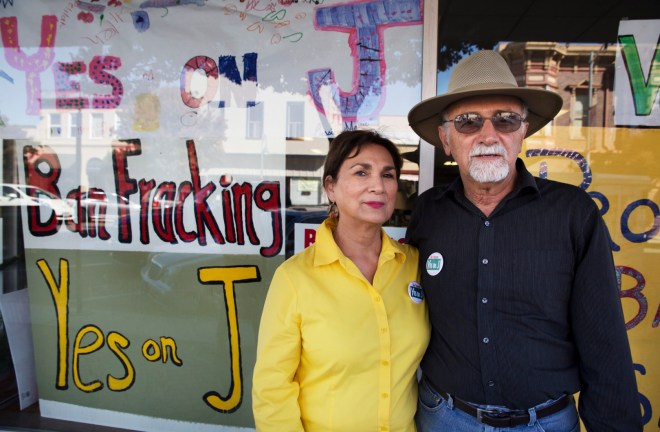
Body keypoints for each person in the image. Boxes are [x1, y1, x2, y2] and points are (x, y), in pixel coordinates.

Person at [406, 50, 642, 431]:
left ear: (523, 132)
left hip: (545, 423)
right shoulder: (428, 213)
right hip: (444, 417)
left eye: (505, 120)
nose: (488, 135)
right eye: (468, 123)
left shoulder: (573, 214)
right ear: (446, 140)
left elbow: (604, 341)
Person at [252, 129, 430, 431]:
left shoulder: (412, 264)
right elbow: (272, 389)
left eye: (388, 175)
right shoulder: (295, 278)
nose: (378, 186)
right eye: (361, 172)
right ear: (331, 188)